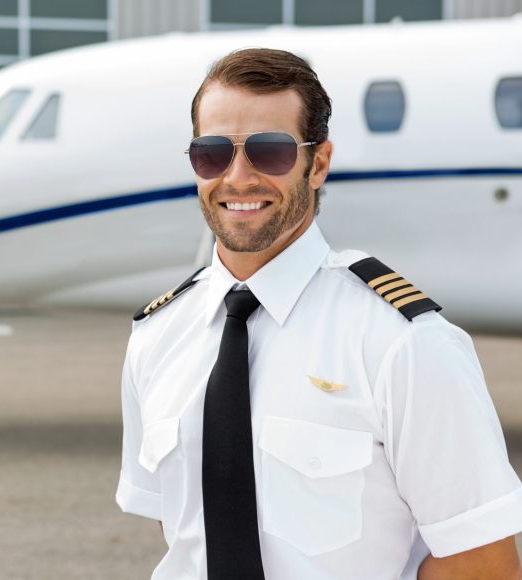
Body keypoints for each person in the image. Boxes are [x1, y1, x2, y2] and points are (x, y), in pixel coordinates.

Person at [115, 47, 522, 580]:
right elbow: (184, 532)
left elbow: (483, 565)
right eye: (212, 152)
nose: (238, 177)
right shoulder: (157, 335)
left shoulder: (403, 343)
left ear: (319, 164)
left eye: (271, 151)